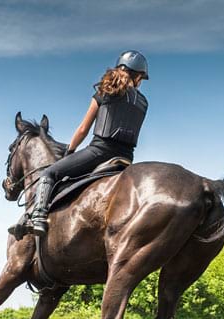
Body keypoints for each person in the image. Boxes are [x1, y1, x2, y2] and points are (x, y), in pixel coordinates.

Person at [9, 50, 149, 238]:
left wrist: (70, 151)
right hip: (126, 159)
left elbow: (83, 129)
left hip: (99, 152)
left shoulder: (105, 91)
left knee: (49, 173)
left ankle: (38, 217)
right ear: (138, 76)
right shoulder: (143, 102)